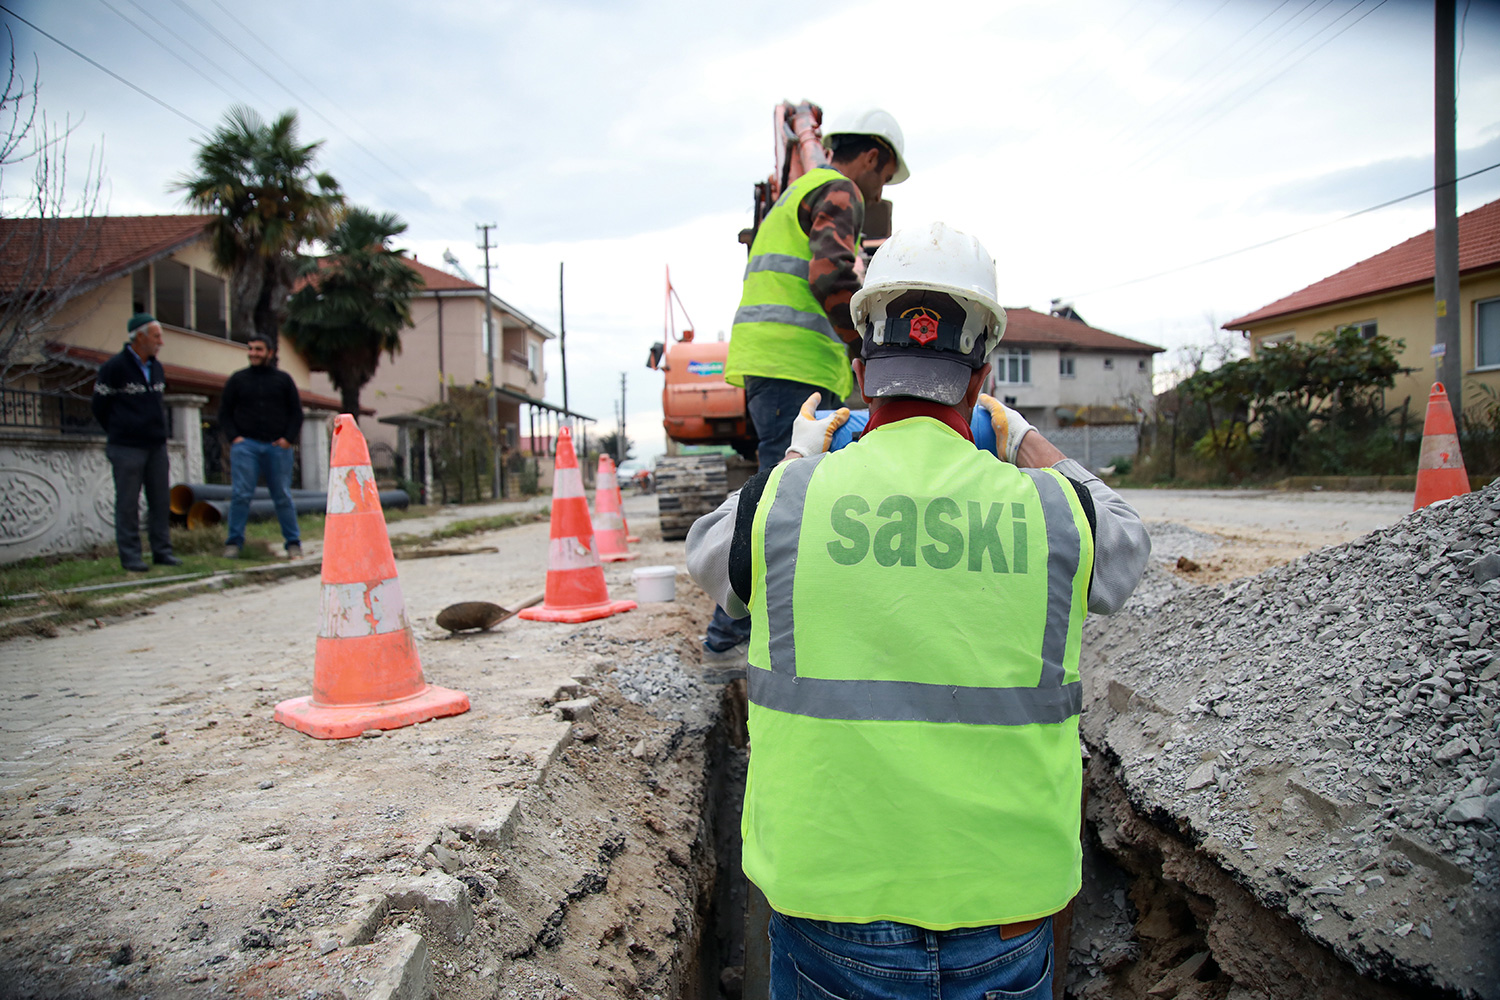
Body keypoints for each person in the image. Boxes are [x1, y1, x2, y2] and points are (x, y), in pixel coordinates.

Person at [686, 223, 1151, 999]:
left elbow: (711, 559)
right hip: (1004, 909)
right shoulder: (1051, 512)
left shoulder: (791, 502)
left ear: (864, 375)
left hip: (831, 904)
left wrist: (801, 453)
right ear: (980, 380)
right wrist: (1027, 440)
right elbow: (1130, 549)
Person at [707, 106, 910, 659]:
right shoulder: (839, 190)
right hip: (793, 367)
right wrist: (870, 351)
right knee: (779, 503)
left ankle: (747, 633)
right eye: (885, 178)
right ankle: (729, 644)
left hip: (779, 366)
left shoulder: (798, 194)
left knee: (785, 496)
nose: (878, 191)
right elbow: (831, 275)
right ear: (872, 157)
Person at [91, 313, 180, 572]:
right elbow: (99, 407)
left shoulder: (157, 368)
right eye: (156, 336)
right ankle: (131, 556)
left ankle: (162, 551)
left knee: (160, 500)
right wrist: (120, 431)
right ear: (139, 337)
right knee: (128, 503)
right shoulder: (114, 368)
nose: (161, 342)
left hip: (156, 446)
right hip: (126, 447)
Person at [218, 333, 304, 559]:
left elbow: (296, 413)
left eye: (258, 349)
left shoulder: (284, 380)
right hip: (246, 447)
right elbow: (224, 412)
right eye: (250, 349)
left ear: (270, 353)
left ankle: (293, 543)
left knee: (282, 496)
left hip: (277, 447)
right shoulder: (237, 380)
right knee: (240, 495)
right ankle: (234, 544)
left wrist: (288, 439)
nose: (253, 354)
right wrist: (234, 437)